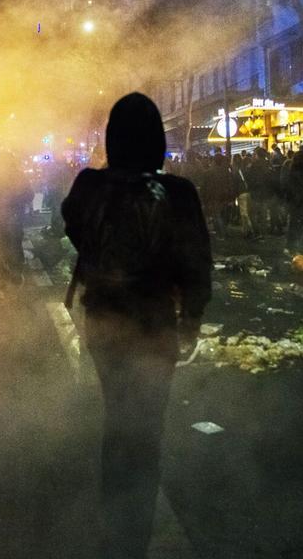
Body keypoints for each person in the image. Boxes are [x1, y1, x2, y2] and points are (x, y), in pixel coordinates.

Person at [61, 93, 211, 559]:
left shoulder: (89, 186)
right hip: (155, 325)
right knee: (146, 428)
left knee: (118, 418)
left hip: (104, 321)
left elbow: (73, 226)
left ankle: (115, 523)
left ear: (112, 138)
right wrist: (191, 320)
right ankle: (134, 536)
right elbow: (197, 266)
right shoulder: (179, 193)